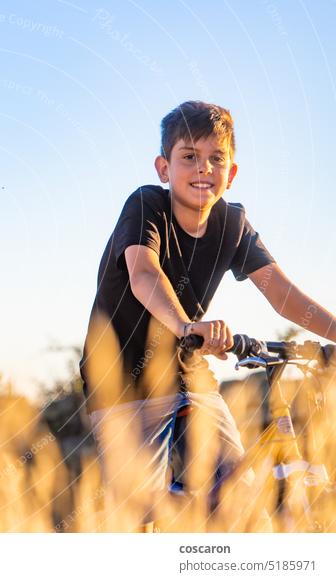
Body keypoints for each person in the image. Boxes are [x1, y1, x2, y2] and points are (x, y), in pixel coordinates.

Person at [79, 101, 336, 531]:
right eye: (189, 157)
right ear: (164, 168)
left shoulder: (233, 224)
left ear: (231, 172)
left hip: (188, 369)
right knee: (144, 513)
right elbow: (144, 273)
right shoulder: (146, 206)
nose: (204, 168)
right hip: (121, 379)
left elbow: (282, 293)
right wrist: (185, 325)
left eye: (217, 158)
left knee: (238, 496)